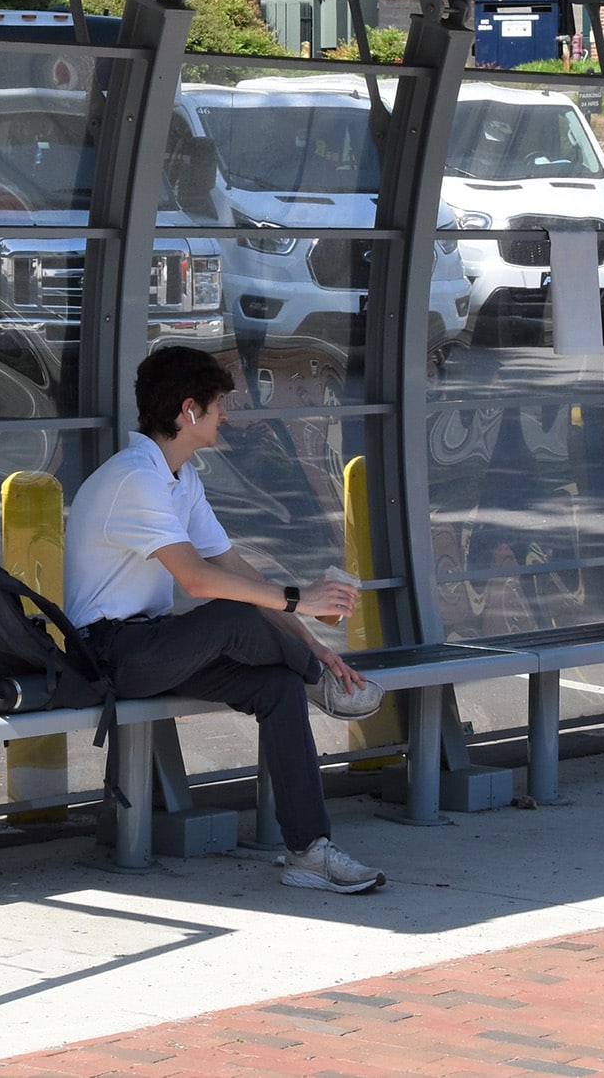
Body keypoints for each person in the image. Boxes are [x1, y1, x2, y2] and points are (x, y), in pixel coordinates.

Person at [64, 344, 387, 893]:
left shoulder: (181, 479)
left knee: (278, 687)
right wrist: (302, 600)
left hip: (151, 647)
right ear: (188, 411)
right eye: (219, 406)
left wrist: (315, 647)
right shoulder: (134, 480)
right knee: (231, 614)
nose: (227, 416)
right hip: (107, 654)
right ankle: (324, 688)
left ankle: (309, 851)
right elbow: (198, 581)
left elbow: (234, 565)